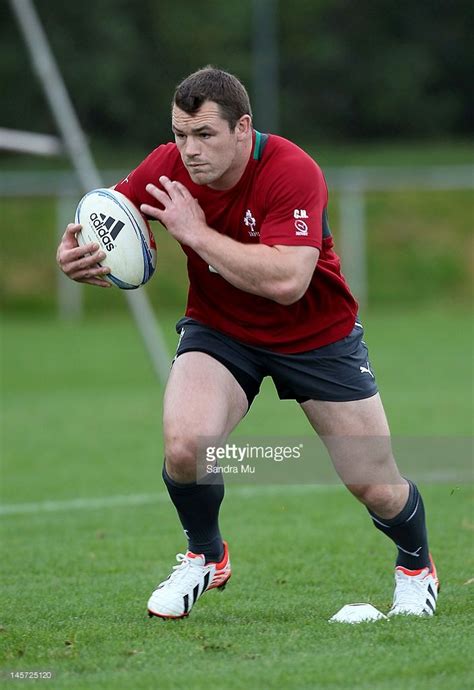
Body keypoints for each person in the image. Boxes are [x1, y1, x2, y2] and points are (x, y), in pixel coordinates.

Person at [56, 66, 439, 620]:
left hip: (316, 335)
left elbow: (287, 282)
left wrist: (194, 233)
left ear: (243, 128)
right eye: (180, 134)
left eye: (204, 135)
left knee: (374, 484)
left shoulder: (291, 169)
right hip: (222, 330)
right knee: (186, 446)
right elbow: (110, 221)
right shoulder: (166, 167)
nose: (188, 150)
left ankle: (415, 565)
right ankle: (205, 555)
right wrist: (77, 255)